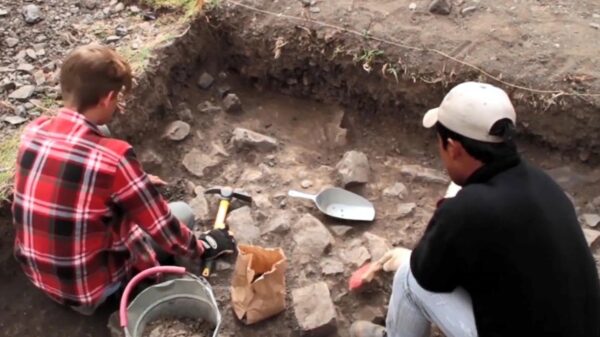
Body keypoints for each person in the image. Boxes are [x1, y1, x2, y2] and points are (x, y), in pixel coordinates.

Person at [351, 82, 600, 337]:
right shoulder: (544, 184)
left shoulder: (468, 209)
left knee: (407, 279)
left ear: (454, 148)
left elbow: (426, 274)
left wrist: (411, 257)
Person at [12, 44, 235, 315]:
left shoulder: (33, 132)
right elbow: (162, 228)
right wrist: (203, 246)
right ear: (107, 98)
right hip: (92, 292)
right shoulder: (114, 159)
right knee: (183, 213)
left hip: (41, 277)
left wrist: (130, 183)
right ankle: (127, 288)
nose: (118, 106)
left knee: (102, 133)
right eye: (117, 99)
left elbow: (67, 183)